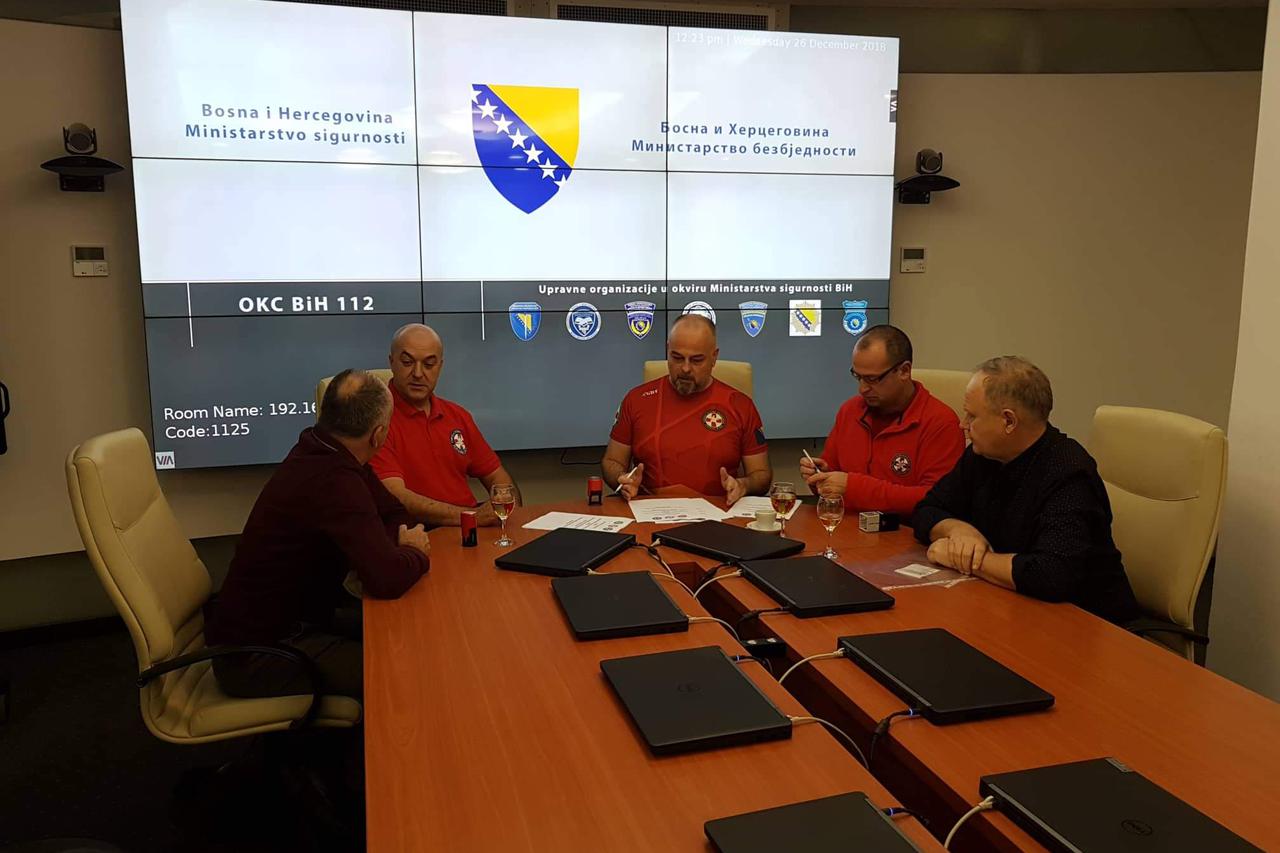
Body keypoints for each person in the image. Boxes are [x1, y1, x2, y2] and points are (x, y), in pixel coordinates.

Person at [207, 369, 431, 700]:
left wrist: (389, 548)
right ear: (379, 435)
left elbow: (395, 513)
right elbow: (387, 579)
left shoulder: (324, 448)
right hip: (259, 655)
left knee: (419, 637)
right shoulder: (334, 480)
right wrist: (414, 551)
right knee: (406, 674)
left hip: (296, 621)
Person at [913, 356, 1140, 624]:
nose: (963, 425)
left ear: (1008, 421)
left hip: (1086, 623)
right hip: (1009, 605)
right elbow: (927, 510)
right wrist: (959, 531)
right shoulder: (982, 455)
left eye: (972, 416)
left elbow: (1050, 574)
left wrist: (963, 558)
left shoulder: (1069, 472)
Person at [602, 313, 772, 504]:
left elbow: (761, 475)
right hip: (650, 512)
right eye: (677, 357)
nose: (685, 368)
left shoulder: (741, 405)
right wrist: (623, 479)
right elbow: (612, 462)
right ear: (667, 350)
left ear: (714, 357)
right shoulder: (636, 400)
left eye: (697, 360)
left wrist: (743, 485)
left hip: (719, 514)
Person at [800, 325, 964, 516]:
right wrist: (821, 477)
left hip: (905, 531)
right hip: (846, 526)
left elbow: (936, 500)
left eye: (872, 379)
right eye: (858, 377)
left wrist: (854, 488)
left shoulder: (940, 423)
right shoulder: (850, 411)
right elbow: (831, 489)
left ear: (904, 371)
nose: (862, 389)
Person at [372, 323, 520, 527]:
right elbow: (396, 496)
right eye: (407, 362)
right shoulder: (376, 420)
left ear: (440, 367)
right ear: (392, 362)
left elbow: (499, 478)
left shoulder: (457, 415)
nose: (418, 373)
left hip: (471, 528)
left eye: (429, 364)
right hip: (420, 534)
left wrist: (503, 503)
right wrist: (472, 517)